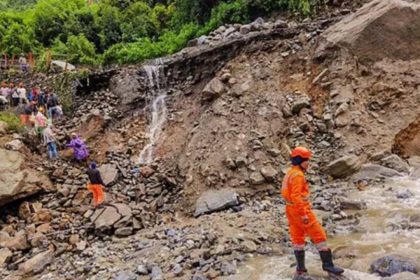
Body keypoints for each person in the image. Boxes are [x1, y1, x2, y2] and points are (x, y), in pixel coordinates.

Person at [281, 147, 344, 276]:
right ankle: (328, 265)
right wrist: (303, 213)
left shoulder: (290, 173)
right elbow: (296, 196)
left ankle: (300, 269)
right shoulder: (298, 175)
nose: (308, 163)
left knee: (297, 238)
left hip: (290, 209)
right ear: (300, 161)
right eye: (306, 160)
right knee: (319, 236)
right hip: (300, 209)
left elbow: (289, 195)